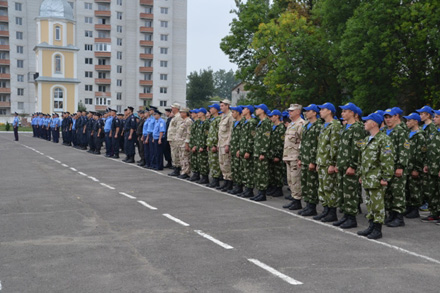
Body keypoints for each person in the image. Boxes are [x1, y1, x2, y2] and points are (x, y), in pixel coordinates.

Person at [357, 112, 394, 239]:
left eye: (367, 121)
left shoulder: (384, 140)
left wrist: (386, 177)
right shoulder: (368, 139)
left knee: (378, 204)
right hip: (368, 178)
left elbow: (387, 160)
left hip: (377, 178)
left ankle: (378, 229)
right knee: (370, 203)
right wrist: (362, 174)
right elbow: (364, 159)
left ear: (374, 123)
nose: (364, 123)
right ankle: (371, 226)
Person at [333, 103, 365, 229]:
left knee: (350, 192)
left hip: (350, 166)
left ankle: (351, 218)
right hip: (342, 165)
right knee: (343, 192)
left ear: (352, 113)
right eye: (342, 111)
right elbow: (342, 147)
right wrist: (337, 163)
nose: (342, 113)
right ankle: (346, 215)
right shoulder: (346, 127)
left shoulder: (357, 128)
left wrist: (353, 165)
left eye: (345, 111)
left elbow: (357, 148)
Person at [314, 103, 342, 222]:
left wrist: (332, 163)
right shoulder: (324, 125)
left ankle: (332, 212)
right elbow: (321, 145)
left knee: (330, 188)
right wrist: (318, 162)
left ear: (329, 111)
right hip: (322, 161)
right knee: (323, 188)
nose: (320, 111)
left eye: (323, 109)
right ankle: (326, 210)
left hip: (328, 162)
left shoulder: (335, 125)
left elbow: (334, 146)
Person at [382, 108, 410, 228]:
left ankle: (399, 216)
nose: (388, 119)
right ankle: (391, 214)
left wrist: (400, 166)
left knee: (397, 192)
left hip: (396, 167)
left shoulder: (401, 131)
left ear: (396, 116)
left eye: (390, 117)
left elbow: (405, 150)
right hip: (386, 167)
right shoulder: (384, 131)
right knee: (388, 193)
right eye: (386, 117)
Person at [296, 104, 322, 216]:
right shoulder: (306, 125)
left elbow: (316, 145)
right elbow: (303, 143)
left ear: (314, 113)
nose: (306, 113)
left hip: (311, 159)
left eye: (309, 111)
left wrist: (313, 161)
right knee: (305, 183)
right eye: (305, 111)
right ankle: (307, 205)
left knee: (312, 184)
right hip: (305, 158)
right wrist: (301, 158)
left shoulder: (318, 126)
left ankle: (312, 206)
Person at [403, 113, 426, 219]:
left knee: (415, 188)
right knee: (408, 188)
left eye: (409, 120)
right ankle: (409, 207)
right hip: (407, 166)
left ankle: (415, 209)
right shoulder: (408, 134)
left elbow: (420, 153)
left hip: (414, 166)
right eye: (406, 121)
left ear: (416, 122)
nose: (407, 123)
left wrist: (417, 168)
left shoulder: (420, 135)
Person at [282, 104, 305, 209]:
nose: (289, 113)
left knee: (296, 179)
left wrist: (300, 157)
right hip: (288, 156)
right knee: (290, 179)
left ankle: (297, 200)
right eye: (289, 111)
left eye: (292, 111)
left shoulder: (301, 124)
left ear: (298, 112)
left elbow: (302, 142)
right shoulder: (291, 124)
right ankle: (294, 198)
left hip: (295, 156)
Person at [250, 104, 272, 201]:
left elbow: (266, 138)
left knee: (262, 173)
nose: (256, 110)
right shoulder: (260, 122)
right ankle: (259, 192)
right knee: (258, 173)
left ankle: (262, 194)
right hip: (257, 151)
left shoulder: (266, 122)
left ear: (262, 110)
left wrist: (263, 152)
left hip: (261, 152)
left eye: (258, 109)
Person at [416, 106, 436, 212]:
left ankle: (429, 203)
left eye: (422, 114)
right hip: (424, 158)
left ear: (428, 115)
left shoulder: (432, 127)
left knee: (429, 183)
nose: (420, 116)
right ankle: (425, 201)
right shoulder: (423, 127)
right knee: (424, 183)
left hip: (430, 159)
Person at [422, 109, 440, 223]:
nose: (434, 118)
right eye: (434, 116)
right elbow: (429, 148)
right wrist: (426, 164)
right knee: (433, 191)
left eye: (437, 117)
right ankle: (435, 213)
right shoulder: (434, 131)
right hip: (432, 166)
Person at [237, 105, 258, 198]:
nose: (242, 110)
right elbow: (241, 137)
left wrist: (248, 151)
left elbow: (252, 137)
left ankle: (249, 189)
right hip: (242, 149)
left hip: (247, 150)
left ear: (248, 111)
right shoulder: (244, 121)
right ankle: (246, 189)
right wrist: (239, 149)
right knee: (244, 170)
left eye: (244, 109)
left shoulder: (252, 122)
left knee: (249, 171)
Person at [217, 99, 235, 192]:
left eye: (223, 106)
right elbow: (220, 132)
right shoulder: (223, 116)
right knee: (222, 163)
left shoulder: (230, 116)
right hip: (221, 143)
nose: (221, 107)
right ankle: (225, 180)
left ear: (227, 105)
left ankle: (229, 182)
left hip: (226, 144)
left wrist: (228, 144)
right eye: (220, 106)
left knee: (227, 163)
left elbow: (231, 132)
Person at [228, 106, 244, 194]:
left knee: (239, 168)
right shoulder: (235, 122)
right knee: (234, 168)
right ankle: (237, 185)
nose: (232, 113)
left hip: (238, 149)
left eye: (233, 112)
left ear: (238, 112)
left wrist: (239, 149)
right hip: (233, 148)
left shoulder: (242, 123)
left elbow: (243, 138)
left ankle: (240, 186)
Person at [206, 104, 222, 187]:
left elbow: (217, 133)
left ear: (216, 109)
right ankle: (213, 179)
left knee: (215, 162)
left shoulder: (218, 119)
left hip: (214, 145)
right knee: (212, 162)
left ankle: (216, 180)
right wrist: (209, 144)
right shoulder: (213, 119)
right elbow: (210, 134)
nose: (210, 110)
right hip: (211, 144)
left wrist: (215, 145)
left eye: (211, 108)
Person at [175, 108, 193, 179]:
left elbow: (189, 133)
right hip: (180, 143)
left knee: (185, 158)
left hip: (184, 143)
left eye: (182, 112)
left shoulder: (188, 121)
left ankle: (186, 172)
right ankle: (183, 171)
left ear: (186, 113)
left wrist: (187, 143)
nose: (180, 114)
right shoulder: (183, 121)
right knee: (181, 158)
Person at [167, 103, 183, 176]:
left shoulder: (178, 117)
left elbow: (178, 129)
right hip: (172, 139)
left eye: (172, 108)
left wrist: (175, 138)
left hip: (175, 139)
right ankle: (175, 168)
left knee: (176, 155)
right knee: (173, 154)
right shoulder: (175, 117)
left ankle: (177, 169)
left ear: (176, 108)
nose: (171, 109)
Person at [196, 108, 210, 184]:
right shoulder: (200, 122)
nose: (198, 113)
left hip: (203, 146)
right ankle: (202, 176)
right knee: (200, 161)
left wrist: (203, 145)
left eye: (199, 112)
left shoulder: (206, 123)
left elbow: (206, 135)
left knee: (204, 162)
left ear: (203, 113)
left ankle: (205, 177)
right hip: (199, 144)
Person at [189, 109, 201, 181]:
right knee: (194, 160)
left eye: (193, 113)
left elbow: (198, 135)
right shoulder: (195, 122)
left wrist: (195, 145)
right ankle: (195, 174)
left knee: (197, 160)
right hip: (193, 143)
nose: (191, 114)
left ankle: (197, 174)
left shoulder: (198, 123)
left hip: (196, 144)